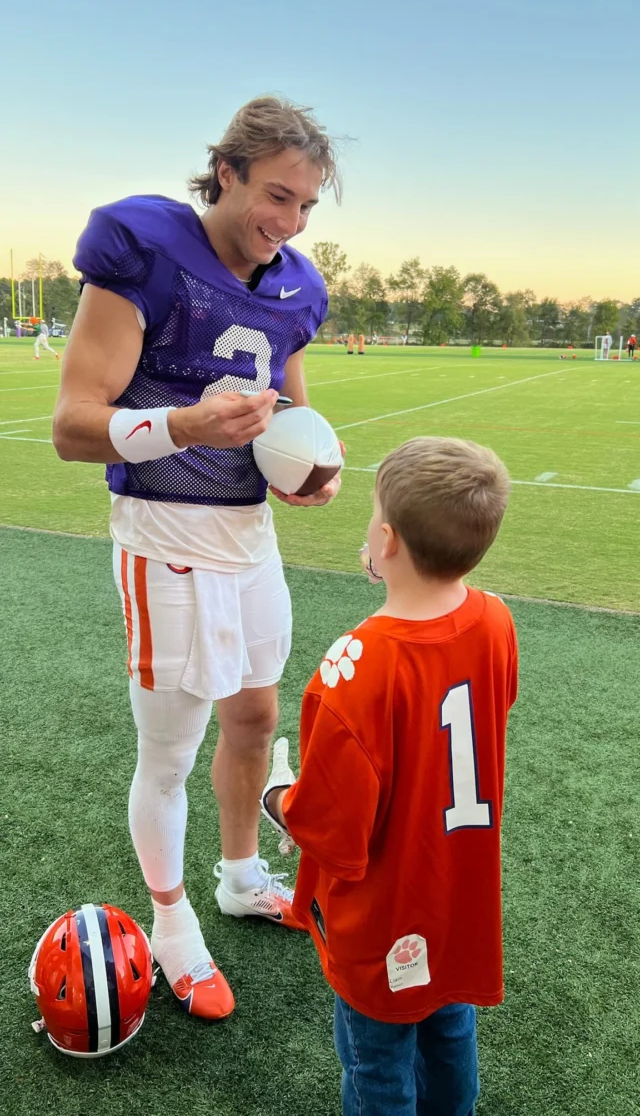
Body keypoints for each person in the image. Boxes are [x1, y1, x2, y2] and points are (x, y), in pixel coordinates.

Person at [52, 95, 342, 1021]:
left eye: (306, 205)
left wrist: (307, 471)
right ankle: (173, 929)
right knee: (170, 752)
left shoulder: (295, 285)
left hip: (247, 539)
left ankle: (239, 875)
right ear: (226, 171)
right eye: (276, 195)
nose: (290, 222)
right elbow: (71, 429)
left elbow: (291, 417)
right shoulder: (145, 249)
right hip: (164, 539)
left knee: (256, 715)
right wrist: (181, 423)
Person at [261, 436, 518, 1116]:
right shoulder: (495, 619)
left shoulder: (357, 664)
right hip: (459, 890)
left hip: (388, 910)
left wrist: (276, 795)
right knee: (450, 1025)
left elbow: (333, 829)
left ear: (388, 539)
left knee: (378, 1065)